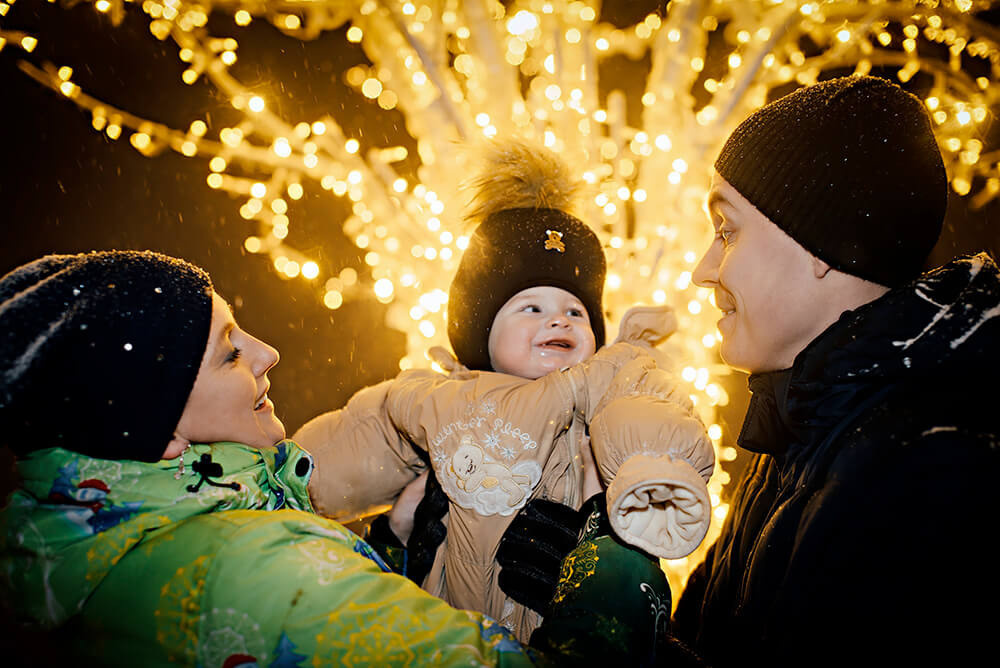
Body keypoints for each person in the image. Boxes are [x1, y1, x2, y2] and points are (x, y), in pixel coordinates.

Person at [0, 249, 676, 666]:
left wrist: (396, 549)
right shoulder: (264, 575)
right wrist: (615, 545)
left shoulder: (92, 546)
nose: (268, 354)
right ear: (157, 431)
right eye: (230, 353)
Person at [294, 140, 715, 640]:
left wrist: (648, 485)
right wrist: (300, 484)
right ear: (482, 335)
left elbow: (648, 419)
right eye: (530, 308)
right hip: (447, 634)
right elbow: (363, 437)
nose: (558, 318)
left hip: (553, 628)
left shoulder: (606, 382)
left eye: (575, 311)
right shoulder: (437, 398)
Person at [665, 74, 1000, 665]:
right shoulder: (800, 428)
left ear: (823, 244)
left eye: (728, 230)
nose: (704, 268)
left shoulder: (929, 467)